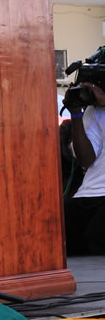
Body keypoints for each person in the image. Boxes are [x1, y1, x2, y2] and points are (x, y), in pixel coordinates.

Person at [64, 83, 105, 254]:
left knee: (95, 237)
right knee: (59, 235)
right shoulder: (95, 111)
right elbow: (86, 159)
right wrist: (75, 113)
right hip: (90, 194)